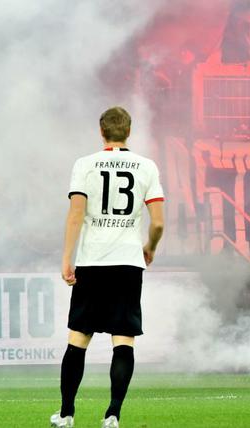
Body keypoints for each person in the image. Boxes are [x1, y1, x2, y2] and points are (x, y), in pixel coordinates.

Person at [51, 107, 166, 428]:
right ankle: (113, 415)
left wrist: (66, 258)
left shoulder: (85, 164)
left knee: (78, 339)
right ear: (128, 132)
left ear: (101, 132)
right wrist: (150, 248)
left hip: (93, 260)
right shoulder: (146, 166)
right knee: (124, 340)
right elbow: (157, 223)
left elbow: (76, 214)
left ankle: (66, 415)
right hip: (128, 263)